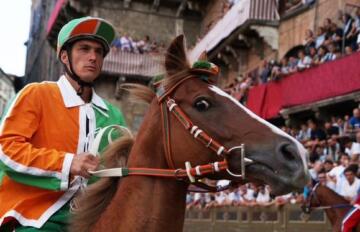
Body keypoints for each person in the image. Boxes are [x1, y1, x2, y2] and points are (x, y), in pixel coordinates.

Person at [0, 16, 127, 231]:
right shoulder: (37, 94)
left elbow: (124, 171)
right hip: (34, 218)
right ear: (65, 56)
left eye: (99, 52)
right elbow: (5, 150)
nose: (93, 57)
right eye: (84, 49)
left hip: (93, 220)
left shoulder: (115, 115)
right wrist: (68, 164)